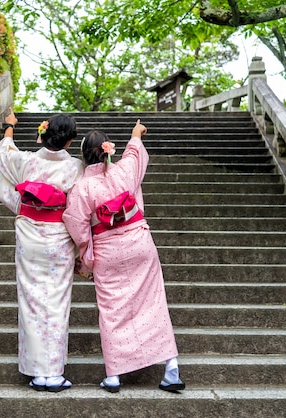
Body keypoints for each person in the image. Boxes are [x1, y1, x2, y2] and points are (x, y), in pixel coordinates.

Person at [62, 119, 185, 393]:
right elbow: (134, 153)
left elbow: (77, 226)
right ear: (108, 151)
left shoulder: (83, 187)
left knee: (112, 312)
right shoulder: (124, 171)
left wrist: (87, 257)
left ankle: (115, 375)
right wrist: (134, 134)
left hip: (108, 249)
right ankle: (171, 369)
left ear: (83, 157)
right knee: (154, 304)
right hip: (139, 242)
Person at [0, 108, 84, 392]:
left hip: (30, 235)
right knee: (56, 302)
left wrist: (10, 126)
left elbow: (2, 154)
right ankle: (53, 372)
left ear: (43, 134)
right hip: (58, 238)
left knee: (30, 301)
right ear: (69, 142)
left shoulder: (26, 161)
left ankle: (36, 372)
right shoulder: (75, 167)